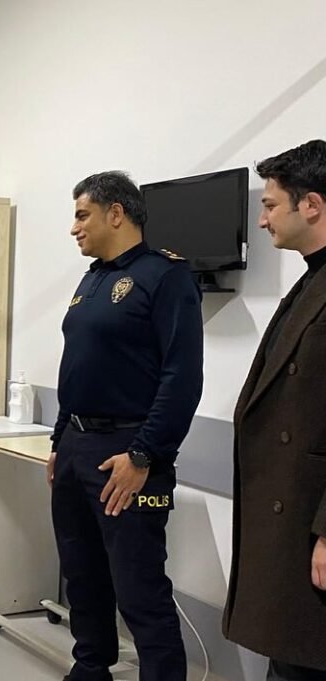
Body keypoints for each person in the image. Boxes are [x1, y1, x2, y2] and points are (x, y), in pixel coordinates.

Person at [48, 172, 204, 681]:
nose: (74, 227)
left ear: (116, 213)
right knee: (83, 576)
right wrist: (59, 440)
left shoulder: (166, 276)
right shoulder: (92, 278)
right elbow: (77, 366)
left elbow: (182, 378)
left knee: (139, 589)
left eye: (82, 215)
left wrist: (144, 455)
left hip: (128, 448)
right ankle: (90, 667)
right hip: (77, 445)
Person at [224, 140, 326, 680]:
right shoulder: (311, 279)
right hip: (291, 521)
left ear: (311, 205)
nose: (262, 221)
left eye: (269, 205)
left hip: (313, 521)